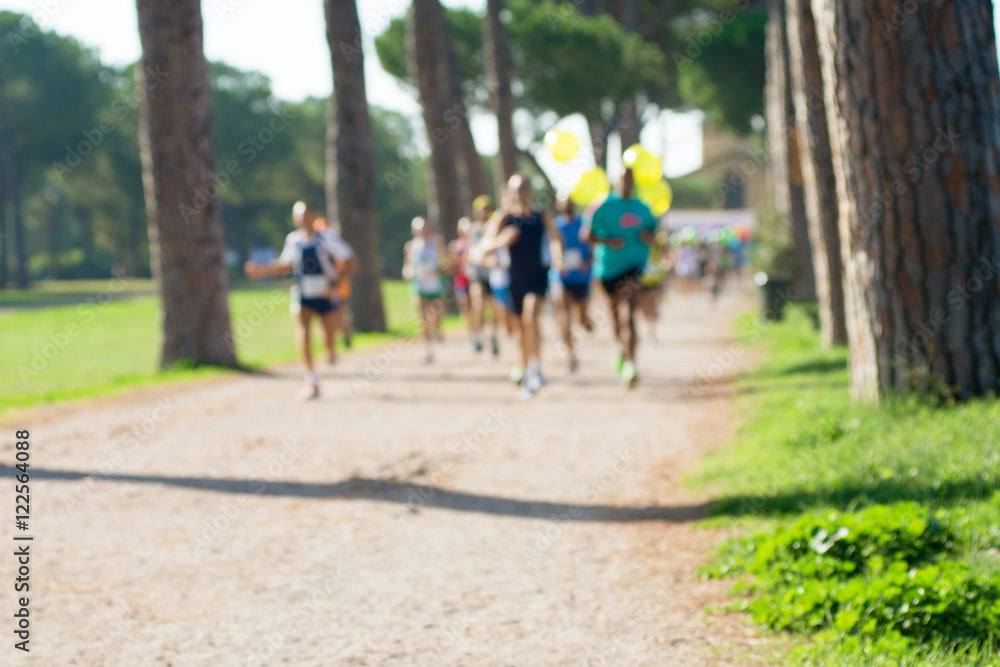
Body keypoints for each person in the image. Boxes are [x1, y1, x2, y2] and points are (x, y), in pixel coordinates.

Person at [244, 201, 355, 400]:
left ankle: (330, 349)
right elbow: (285, 264)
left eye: (305, 214)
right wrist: (260, 271)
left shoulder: (327, 238)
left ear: (313, 215)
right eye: (298, 215)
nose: (302, 219)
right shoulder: (293, 240)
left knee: (329, 336)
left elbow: (351, 262)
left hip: (326, 294)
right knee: (303, 334)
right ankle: (311, 381)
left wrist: (335, 284)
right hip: (302, 293)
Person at [480, 174, 563, 397]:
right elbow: (483, 247)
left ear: (531, 192)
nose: (522, 194)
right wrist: (501, 241)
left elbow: (555, 239)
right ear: (510, 193)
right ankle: (526, 367)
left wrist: (558, 258)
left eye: (525, 188)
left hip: (537, 276)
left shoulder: (540, 216)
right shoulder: (503, 217)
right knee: (521, 329)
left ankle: (534, 371)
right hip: (514, 279)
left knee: (531, 316)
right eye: (517, 190)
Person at [581, 167, 657, 388]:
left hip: (633, 266)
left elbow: (653, 233)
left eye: (630, 179)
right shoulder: (602, 205)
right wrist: (608, 241)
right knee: (615, 316)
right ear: (616, 181)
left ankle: (632, 364)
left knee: (629, 314)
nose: (626, 183)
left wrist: (647, 236)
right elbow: (586, 235)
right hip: (608, 269)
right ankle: (620, 350)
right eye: (623, 179)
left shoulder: (642, 207)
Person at [551, 197, 593, 372]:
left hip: (581, 278)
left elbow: (593, 246)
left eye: (569, 202)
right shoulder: (554, 225)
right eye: (562, 202)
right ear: (557, 205)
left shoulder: (583, 223)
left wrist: (588, 262)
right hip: (561, 277)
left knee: (581, 320)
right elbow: (552, 245)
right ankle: (570, 354)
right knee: (563, 314)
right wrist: (557, 261)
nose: (566, 205)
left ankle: (586, 322)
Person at [403, 217, 449, 363]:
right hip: (419, 286)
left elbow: (447, 262)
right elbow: (406, 267)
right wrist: (408, 273)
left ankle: (436, 330)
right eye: (418, 228)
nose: (422, 231)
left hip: (435, 285)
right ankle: (428, 350)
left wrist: (440, 269)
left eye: (424, 227)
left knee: (435, 317)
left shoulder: (436, 243)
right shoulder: (410, 246)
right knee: (422, 319)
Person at [466, 195, 501, 356]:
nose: (483, 213)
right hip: (478, 273)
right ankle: (478, 336)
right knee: (478, 304)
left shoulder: (494, 226)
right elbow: (470, 251)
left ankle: (493, 335)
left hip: (493, 273)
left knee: (493, 307)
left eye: (485, 209)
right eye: (480, 210)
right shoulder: (473, 229)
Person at [638, 230, 670, 344]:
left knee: (650, 305)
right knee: (640, 308)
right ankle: (646, 332)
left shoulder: (658, 240)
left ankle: (651, 332)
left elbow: (665, 253)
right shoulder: (636, 239)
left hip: (652, 279)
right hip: (636, 278)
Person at [449, 217, 473, 346]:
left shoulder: (475, 242)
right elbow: (452, 265)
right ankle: (471, 336)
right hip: (461, 280)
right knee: (465, 309)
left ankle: (478, 332)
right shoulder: (456, 245)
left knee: (476, 307)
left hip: (474, 279)